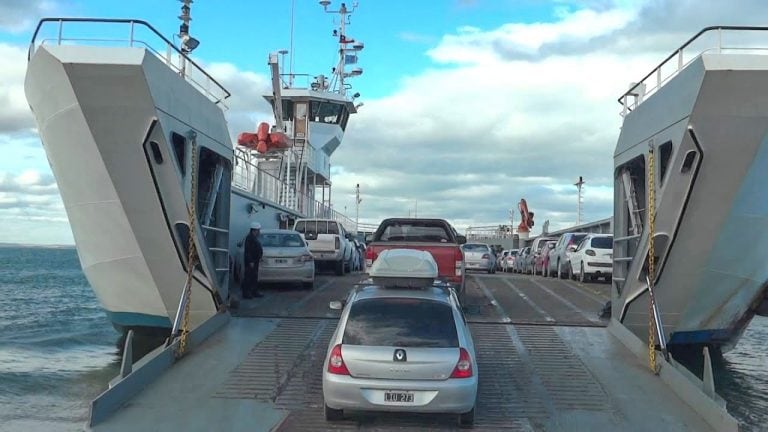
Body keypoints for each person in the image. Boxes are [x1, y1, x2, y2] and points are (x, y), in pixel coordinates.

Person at [242, 221, 264, 299]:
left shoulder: (254, 238)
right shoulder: (249, 238)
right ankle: (246, 293)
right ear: (254, 230)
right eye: (258, 230)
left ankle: (254, 291)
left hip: (255, 261)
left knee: (254, 277)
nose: (259, 232)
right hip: (251, 261)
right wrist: (250, 261)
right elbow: (248, 251)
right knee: (248, 277)